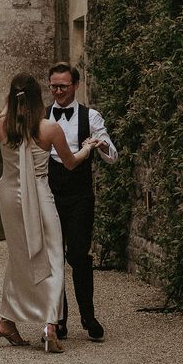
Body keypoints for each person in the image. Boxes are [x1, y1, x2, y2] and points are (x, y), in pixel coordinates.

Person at [0, 73, 99, 353]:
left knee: (19, 256)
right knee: (51, 257)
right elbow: (71, 163)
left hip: (10, 197)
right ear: (39, 98)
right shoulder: (49, 128)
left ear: (11, 98)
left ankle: (7, 320)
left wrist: (9, 106)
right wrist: (86, 148)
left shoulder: (2, 125)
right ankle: (50, 324)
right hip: (38, 196)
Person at [46, 62, 118, 342]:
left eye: (63, 86)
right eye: (54, 86)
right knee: (53, 257)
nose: (59, 91)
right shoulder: (42, 116)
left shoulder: (91, 116)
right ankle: (58, 320)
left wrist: (101, 147)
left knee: (78, 254)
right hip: (50, 192)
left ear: (76, 85)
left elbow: (114, 156)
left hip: (80, 194)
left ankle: (88, 317)